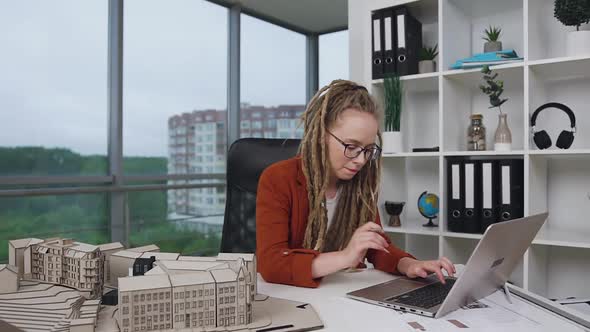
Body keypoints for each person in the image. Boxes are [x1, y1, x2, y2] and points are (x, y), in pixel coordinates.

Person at [256, 79, 455, 288]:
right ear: (320, 136)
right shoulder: (278, 178)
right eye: (351, 146)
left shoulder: (361, 182)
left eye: (368, 149)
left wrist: (410, 264)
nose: (361, 160)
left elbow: (376, 247)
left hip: (342, 295)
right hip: (296, 299)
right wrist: (345, 257)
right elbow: (271, 262)